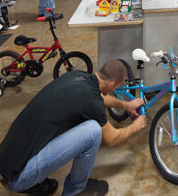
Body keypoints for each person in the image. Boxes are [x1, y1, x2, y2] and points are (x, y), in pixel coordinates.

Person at [0, 60, 146, 196]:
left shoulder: (77, 76)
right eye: (118, 86)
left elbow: (101, 98)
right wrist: (135, 126)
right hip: (18, 177)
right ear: (111, 84)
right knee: (93, 130)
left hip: (6, 159)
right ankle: (76, 190)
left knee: (76, 119)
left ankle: (35, 180)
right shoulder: (92, 103)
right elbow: (112, 139)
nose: (118, 89)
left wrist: (126, 105)